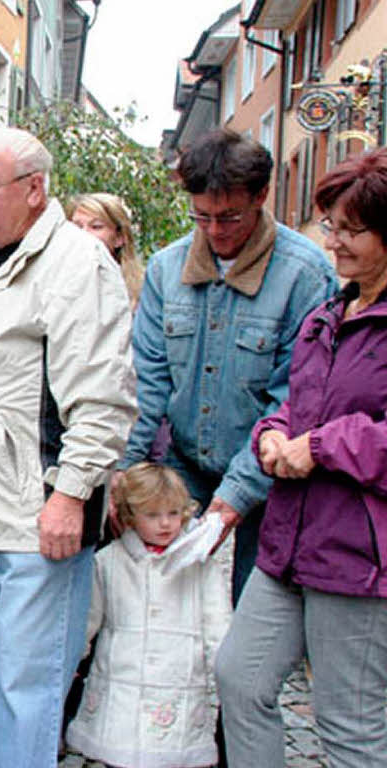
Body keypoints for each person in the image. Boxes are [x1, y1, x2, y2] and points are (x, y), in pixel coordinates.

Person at [0, 126, 137, 768]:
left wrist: (70, 495)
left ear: (35, 189)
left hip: (36, 514)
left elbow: (101, 395)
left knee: (28, 683)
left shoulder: (75, 263)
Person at [215, 148, 387, 767]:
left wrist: (317, 448)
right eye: (330, 227)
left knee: (349, 726)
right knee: (239, 679)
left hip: (360, 558)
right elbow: (294, 400)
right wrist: (272, 434)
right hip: (289, 542)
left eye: (353, 231)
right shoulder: (330, 314)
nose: (334, 244)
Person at [115, 129, 337, 604]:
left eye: (230, 217)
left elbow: (295, 398)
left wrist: (237, 493)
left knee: (246, 614)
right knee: (167, 606)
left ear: (261, 196)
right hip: (184, 465)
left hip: (272, 478)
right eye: (202, 217)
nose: (215, 231)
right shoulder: (165, 269)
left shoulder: (307, 274)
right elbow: (146, 383)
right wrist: (126, 468)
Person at [66, 462, 232, 768]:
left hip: (176, 684)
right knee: (118, 752)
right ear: (129, 516)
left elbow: (217, 626)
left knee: (169, 752)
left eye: (173, 514)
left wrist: (225, 675)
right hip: (120, 681)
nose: (166, 524)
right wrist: (73, 659)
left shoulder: (201, 567)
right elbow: (89, 618)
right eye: (152, 515)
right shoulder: (109, 562)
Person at [69, 192, 145, 309]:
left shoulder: (144, 292)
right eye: (77, 227)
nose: (83, 233)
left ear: (119, 238)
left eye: (96, 227)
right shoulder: (52, 284)